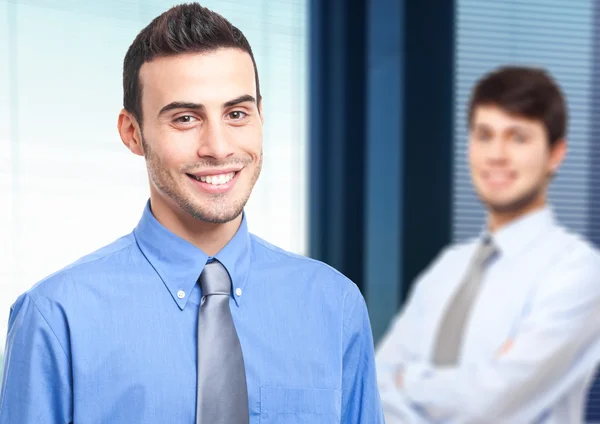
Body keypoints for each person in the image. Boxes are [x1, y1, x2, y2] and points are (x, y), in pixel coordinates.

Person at [0, 3, 384, 423]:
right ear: (133, 133)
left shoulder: (336, 305)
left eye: (236, 114)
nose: (218, 147)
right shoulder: (56, 317)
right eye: (185, 118)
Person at [376, 65, 600, 423]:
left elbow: (487, 405)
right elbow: (375, 386)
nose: (496, 154)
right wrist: (459, 383)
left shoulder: (579, 272)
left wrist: (409, 380)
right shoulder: (448, 267)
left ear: (555, 154)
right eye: (484, 135)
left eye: (518, 137)